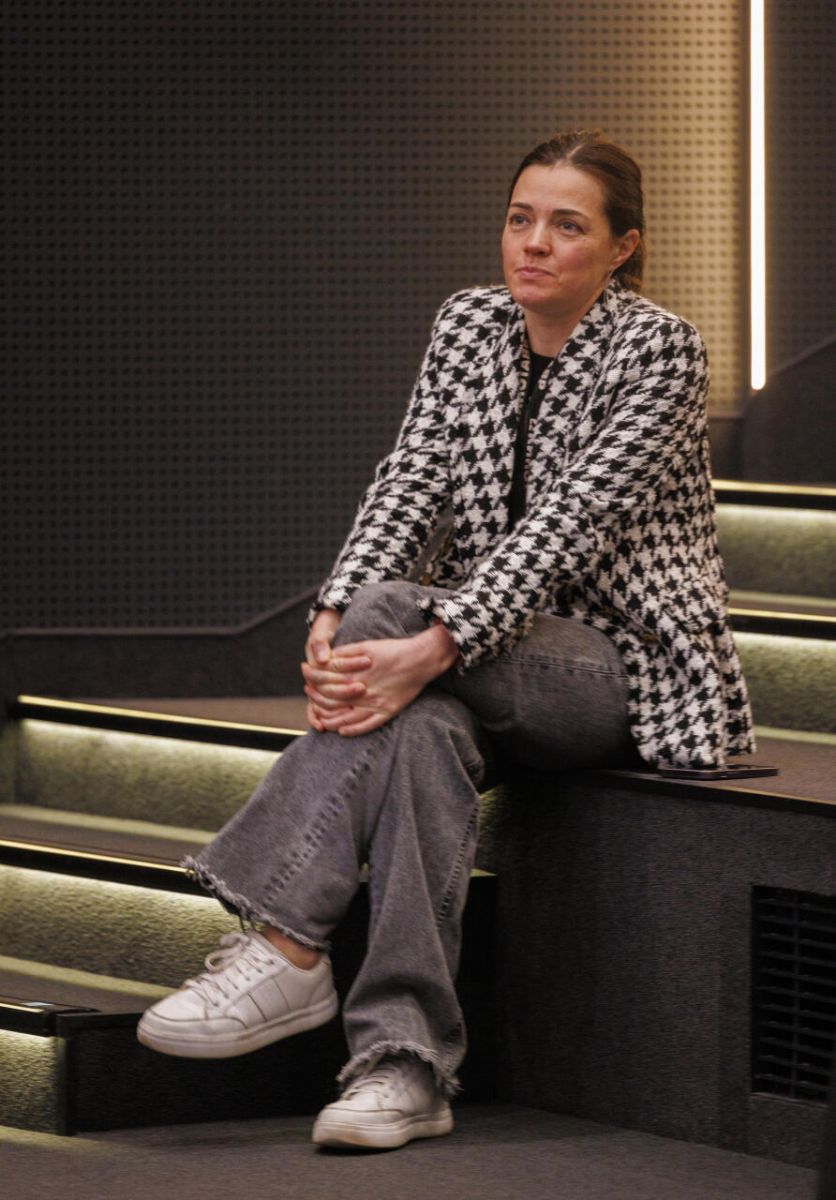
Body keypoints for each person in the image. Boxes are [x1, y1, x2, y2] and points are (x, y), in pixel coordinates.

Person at [137, 130, 754, 1150]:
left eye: (566, 225)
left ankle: (287, 942)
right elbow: (412, 478)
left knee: (398, 623)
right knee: (417, 736)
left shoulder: (661, 351)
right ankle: (403, 1068)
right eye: (520, 218)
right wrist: (336, 611)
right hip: (481, 653)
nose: (534, 243)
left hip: (623, 670)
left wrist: (429, 644)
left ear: (621, 248)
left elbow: (568, 525)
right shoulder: (469, 324)